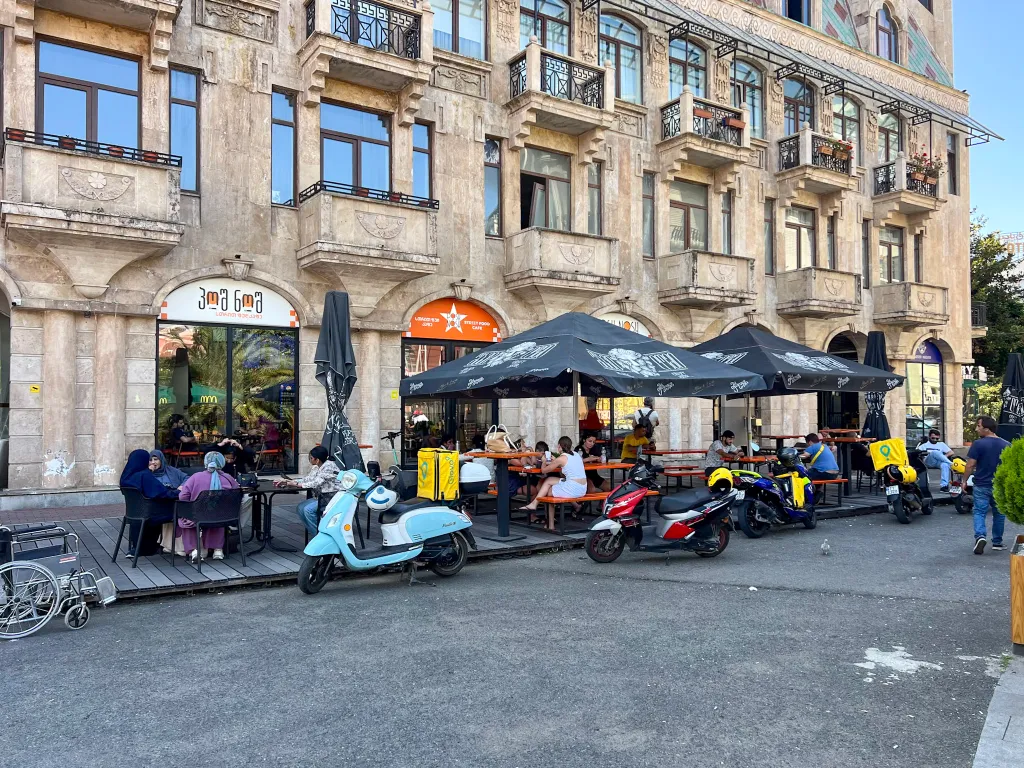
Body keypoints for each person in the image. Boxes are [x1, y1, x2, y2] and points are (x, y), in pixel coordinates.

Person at [176, 452, 239, 563]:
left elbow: (183, 497)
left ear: (206, 463)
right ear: (222, 463)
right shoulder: (229, 478)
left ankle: (195, 550)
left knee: (187, 515)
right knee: (217, 513)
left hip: (198, 517)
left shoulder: (195, 477)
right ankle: (218, 550)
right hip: (222, 518)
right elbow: (237, 495)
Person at [120, 449, 178, 559]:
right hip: (150, 514)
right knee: (178, 509)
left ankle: (137, 547)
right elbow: (161, 493)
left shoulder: (125, 476)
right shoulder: (144, 475)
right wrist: (178, 492)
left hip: (133, 513)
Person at [965, 415, 1010, 554]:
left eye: (978, 426)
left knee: (979, 511)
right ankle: (997, 542)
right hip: (999, 485)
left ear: (987, 428)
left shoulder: (978, 444)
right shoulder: (1007, 445)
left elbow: (970, 465)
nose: (976, 429)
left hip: (981, 484)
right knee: (999, 514)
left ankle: (980, 536)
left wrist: (964, 481)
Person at [276, 446, 342, 537]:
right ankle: (316, 533)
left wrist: (295, 484)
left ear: (317, 460)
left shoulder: (329, 467)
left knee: (308, 510)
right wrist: (289, 481)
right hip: (322, 497)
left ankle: (322, 537)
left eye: (310, 458)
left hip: (332, 499)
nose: (309, 460)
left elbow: (316, 483)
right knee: (300, 508)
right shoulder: (317, 467)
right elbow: (308, 479)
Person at [521, 436, 588, 518]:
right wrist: (556, 460)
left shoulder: (561, 458)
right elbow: (565, 473)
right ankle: (534, 504)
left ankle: (550, 523)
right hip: (583, 489)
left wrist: (544, 461)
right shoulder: (576, 454)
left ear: (559, 446)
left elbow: (544, 470)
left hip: (573, 489)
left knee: (548, 492)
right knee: (549, 480)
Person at [149, 449, 189, 555]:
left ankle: (174, 545)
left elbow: (187, 478)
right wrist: (149, 473)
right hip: (156, 506)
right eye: (150, 460)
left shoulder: (171, 470)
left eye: (156, 459)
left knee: (180, 511)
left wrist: (181, 486)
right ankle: (173, 546)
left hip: (172, 501)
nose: (153, 462)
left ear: (161, 460)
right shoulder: (147, 475)